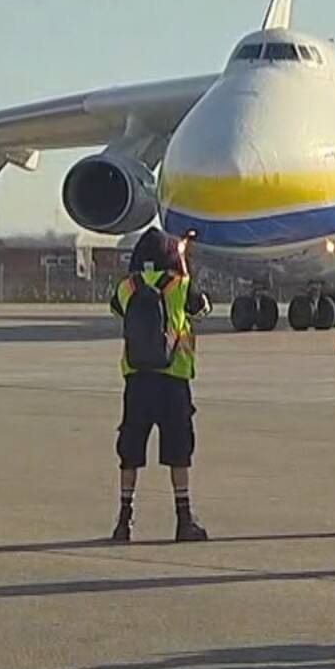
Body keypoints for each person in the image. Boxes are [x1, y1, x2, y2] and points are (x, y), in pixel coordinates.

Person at [110, 226, 213, 543]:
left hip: (136, 379)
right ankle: (184, 519)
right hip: (173, 379)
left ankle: (124, 520)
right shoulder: (180, 285)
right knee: (178, 452)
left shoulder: (127, 287)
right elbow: (203, 307)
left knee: (130, 452)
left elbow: (116, 308)